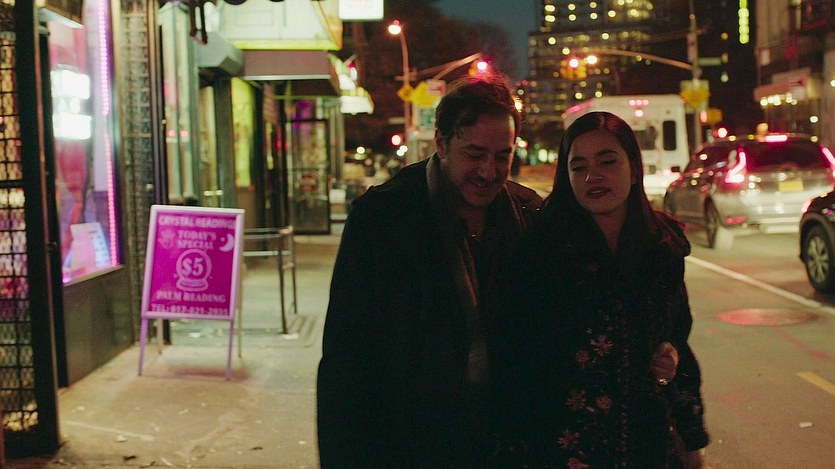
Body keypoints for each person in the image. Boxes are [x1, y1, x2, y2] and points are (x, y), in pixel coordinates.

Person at [316, 74, 543, 468]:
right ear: (441, 143)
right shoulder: (382, 220)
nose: (489, 171)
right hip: (409, 446)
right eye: (474, 154)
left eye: (502, 156)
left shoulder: (529, 215)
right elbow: (346, 359)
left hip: (505, 445)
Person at [494, 111, 709, 468]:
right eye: (578, 167)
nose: (592, 176)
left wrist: (690, 436)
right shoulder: (541, 252)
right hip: (566, 446)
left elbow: (677, 337)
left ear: (634, 168)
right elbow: (515, 359)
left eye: (607, 162)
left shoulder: (662, 247)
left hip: (648, 441)